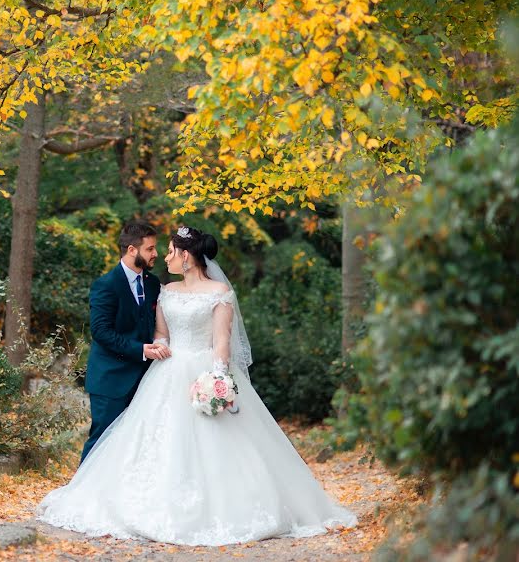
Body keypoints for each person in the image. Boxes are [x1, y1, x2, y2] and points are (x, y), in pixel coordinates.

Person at [37, 226, 356, 546]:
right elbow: (161, 333)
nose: (164, 256)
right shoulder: (166, 290)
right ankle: (99, 491)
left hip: (205, 371)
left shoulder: (219, 292)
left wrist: (217, 380)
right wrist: (157, 346)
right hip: (167, 372)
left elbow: (221, 342)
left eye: (170, 251)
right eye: (156, 250)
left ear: (186, 256)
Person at [80, 221, 169, 464]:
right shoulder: (105, 285)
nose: (155, 254)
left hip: (146, 381)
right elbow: (100, 331)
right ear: (132, 250)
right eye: (150, 249)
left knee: (136, 444)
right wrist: (140, 350)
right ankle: (81, 496)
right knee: (101, 440)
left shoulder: (152, 284)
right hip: (111, 379)